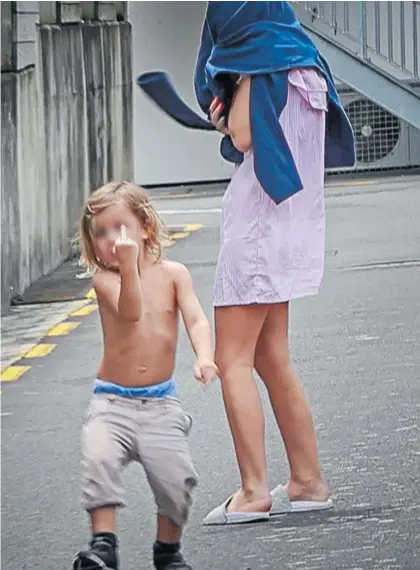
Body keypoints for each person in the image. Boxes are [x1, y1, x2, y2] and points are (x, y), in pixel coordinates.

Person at [136, 3, 355, 525]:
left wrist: (224, 110)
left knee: (233, 359)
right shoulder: (304, 60)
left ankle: (253, 490)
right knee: (272, 357)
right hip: (286, 225)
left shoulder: (259, 58)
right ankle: (307, 480)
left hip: (256, 226)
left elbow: (244, 134)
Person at [72, 181, 218, 570]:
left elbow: (196, 318)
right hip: (112, 402)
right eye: (99, 233)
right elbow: (131, 312)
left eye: (119, 228)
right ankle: (104, 545)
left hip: (159, 404)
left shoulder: (174, 275)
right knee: (98, 458)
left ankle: (167, 551)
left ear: (146, 227)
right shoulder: (105, 281)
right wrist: (129, 264)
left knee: (177, 481)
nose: (109, 241)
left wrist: (204, 355)